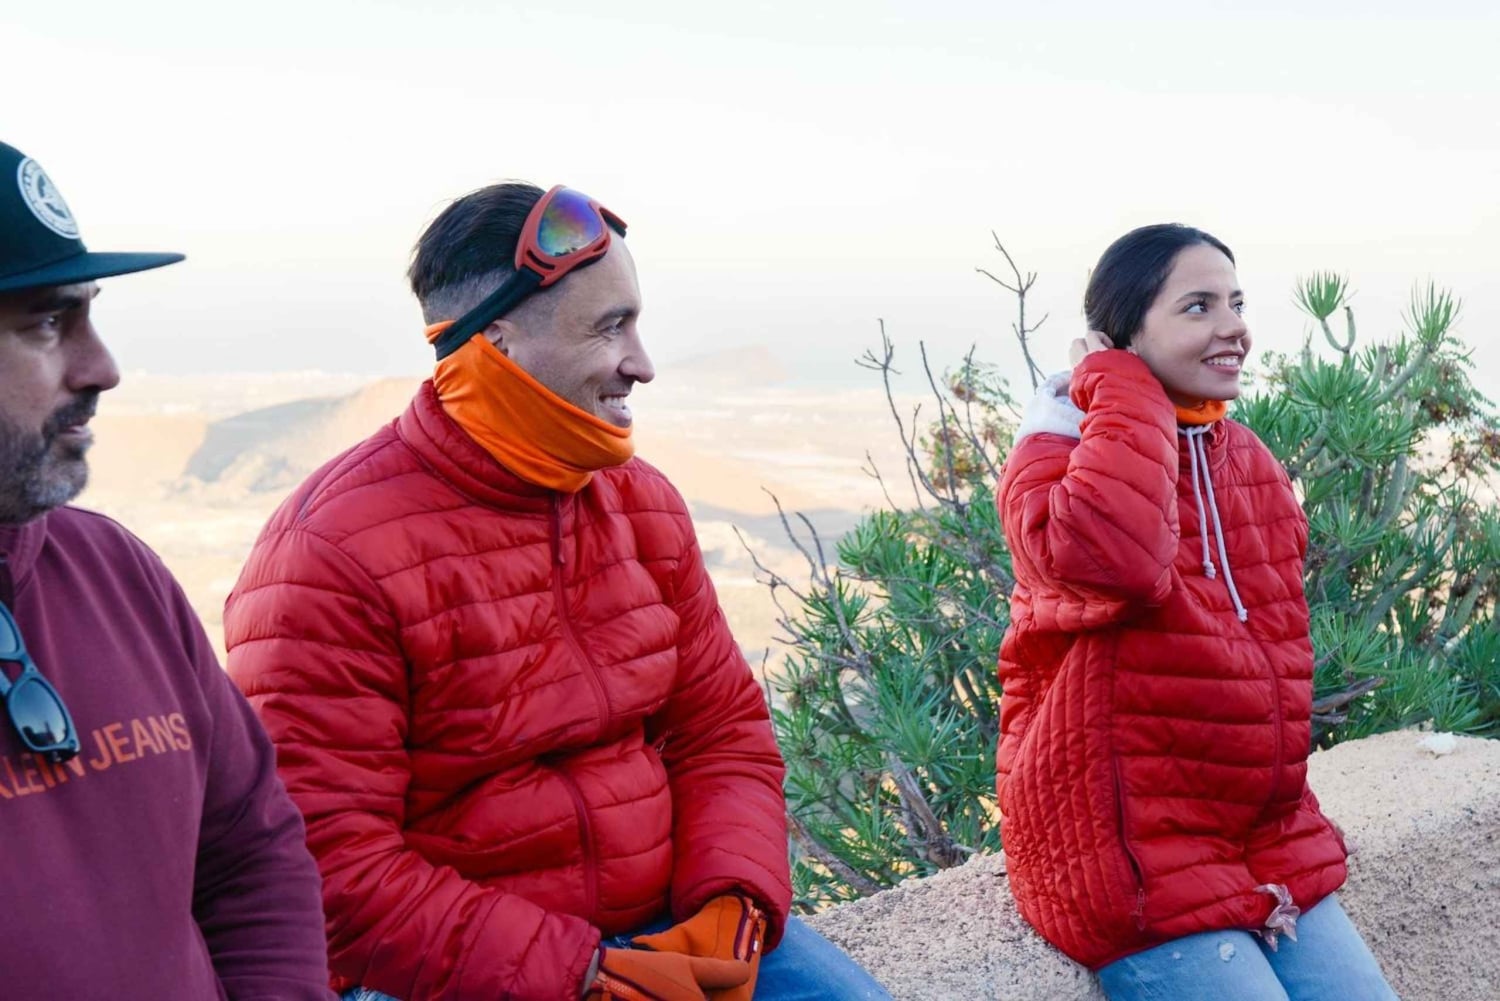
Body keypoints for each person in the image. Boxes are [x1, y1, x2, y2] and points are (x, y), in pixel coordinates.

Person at [224, 181, 891, 1001]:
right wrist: (580, 975)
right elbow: (325, 859)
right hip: (465, 970)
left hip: (673, 923)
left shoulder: (642, 501)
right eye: (612, 327)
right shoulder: (329, 553)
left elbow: (720, 730)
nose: (642, 365)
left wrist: (733, 903)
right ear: (496, 341)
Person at [994, 224, 1399, 1000]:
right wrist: (1113, 383)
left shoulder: (1241, 454)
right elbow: (1122, 561)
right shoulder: (1052, 459)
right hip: (1130, 857)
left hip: (1262, 841)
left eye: (1237, 302)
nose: (1233, 326)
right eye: (1198, 306)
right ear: (1119, 338)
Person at [0, 140, 334, 998]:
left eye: (88, 315)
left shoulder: (117, 573)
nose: (102, 367)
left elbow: (253, 855)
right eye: (45, 322)